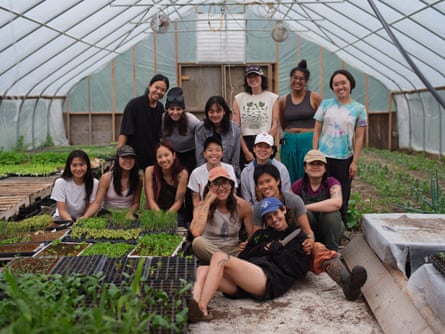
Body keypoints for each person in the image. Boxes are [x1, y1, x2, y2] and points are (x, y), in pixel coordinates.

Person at [252, 164, 367, 301]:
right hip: (276, 254)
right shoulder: (259, 208)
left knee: (318, 248)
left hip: (296, 248)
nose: (265, 186)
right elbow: (256, 239)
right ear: (257, 187)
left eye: (268, 181)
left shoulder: (294, 201)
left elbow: (308, 232)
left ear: (277, 180)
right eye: (261, 183)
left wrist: (309, 242)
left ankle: (347, 282)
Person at [188, 197, 312, 322]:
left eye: (275, 213)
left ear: (283, 210)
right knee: (203, 269)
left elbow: (299, 269)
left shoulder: (298, 236)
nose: (274, 219)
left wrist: (278, 251)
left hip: (269, 279)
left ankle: (202, 309)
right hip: (248, 279)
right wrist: (263, 249)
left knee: (219, 257)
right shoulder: (261, 235)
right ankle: (193, 305)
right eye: (269, 217)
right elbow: (244, 256)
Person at [313, 69, 368, 224]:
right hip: (323, 156)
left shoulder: (359, 109)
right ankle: (320, 223)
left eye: (343, 83)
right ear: (332, 88)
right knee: (321, 189)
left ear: (350, 84)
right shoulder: (326, 104)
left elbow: (359, 137)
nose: (340, 87)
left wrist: (355, 161)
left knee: (343, 191)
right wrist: (315, 152)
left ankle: (340, 224)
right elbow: (317, 130)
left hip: (344, 158)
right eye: (336, 84)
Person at [189, 166, 253, 264]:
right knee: (197, 242)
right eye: (216, 184)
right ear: (209, 187)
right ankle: (232, 265)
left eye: (224, 183)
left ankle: (226, 263)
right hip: (210, 251)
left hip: (233, 250)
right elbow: (196, 232)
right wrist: (207, 202)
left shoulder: (242, 205)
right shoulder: (203, 205)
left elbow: (252, 234)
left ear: (231, 185)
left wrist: (247, 242)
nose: (221, 188)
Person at [291, 149, 344, 251]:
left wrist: (305, 207)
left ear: (325, 168)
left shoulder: (332, 183)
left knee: (331, 215)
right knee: (304, 214)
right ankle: (308, 249)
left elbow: (337, 203)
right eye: (311, 164)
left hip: (331, 230)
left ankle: (332, 251)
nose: (315, 167)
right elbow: (290, 208)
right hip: (308, 231)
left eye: (319, 164)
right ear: (305, 168)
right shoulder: (298, 185)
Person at [279, 60, 322, 182]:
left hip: (308, 142)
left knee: (308, 174)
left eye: (301, 79)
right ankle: (292, 200)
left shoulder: (314, 97)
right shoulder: (283, 100)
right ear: (290, 79)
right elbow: (283, 123)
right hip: (289, 143)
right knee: (289, 173)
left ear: (306, 81)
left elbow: (322, 122)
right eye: (295, 78)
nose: (297, 81)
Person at [233, 64, 279, 170]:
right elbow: (236, 127)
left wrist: (266, 144)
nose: (253, 79)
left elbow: (275, 124)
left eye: (256, 76)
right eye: (250, 77)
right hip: (245, 141)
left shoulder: (273, 98)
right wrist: (246, 151)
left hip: (265, 139)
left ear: (262, 77)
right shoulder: (239, 98)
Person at [118, 74, 169, 170]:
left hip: (152, 155)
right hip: (133, 155)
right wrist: (119, 155)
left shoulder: (160, 108)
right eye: (156, 87)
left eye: (163, 90)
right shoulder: (134, 105)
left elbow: (161, 135)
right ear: (150, 86)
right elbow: (124, 132)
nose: (159, 92)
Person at [80, 145, 142, 219]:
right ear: (117, 159)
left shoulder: (138, 179)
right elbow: (97, 202)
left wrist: (129, 213)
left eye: (131, 158)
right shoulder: (107, 178)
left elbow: (136, 203)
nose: (128, 160)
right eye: (124, 157)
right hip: (108, 213)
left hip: (127, 213)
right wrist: (85, 216)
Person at [195, 96, 241, 178]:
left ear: (224, 111)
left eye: (218, 111)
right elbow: (200, 158)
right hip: (206, 173)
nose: (215, 115)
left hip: (228, 173)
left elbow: (235, 161)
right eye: (211, 112)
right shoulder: (200, 129)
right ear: (207, 113)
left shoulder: (235, 129)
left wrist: (228, 177)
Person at [144, 141, 189, 226]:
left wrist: (166, 217)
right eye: (159, 157)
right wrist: (159, 216)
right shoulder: (150, 171)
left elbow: (178, 201)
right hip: (155, 210)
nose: (163, 160)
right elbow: (150, 199)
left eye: (166, 155)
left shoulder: (182, 174)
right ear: (156, 159)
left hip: (174, 212)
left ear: (174, 155)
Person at [240, 132, 291, 206]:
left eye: (267, 147)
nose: (263, 150)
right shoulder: (246, 172)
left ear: (272, 150)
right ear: (254, 149)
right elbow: (247, 200)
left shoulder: (282, 169)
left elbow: (286, 195)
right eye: (259, 146)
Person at [188, 136, 238, 208]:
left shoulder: (229, 169)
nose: (214, 153)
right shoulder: (196, 173)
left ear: (222, 153)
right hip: (206, 208)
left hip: (227, 208)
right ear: (204, 154)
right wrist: (199, 214)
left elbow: (234, 193)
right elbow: (195, 198)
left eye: (217, 150)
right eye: (210, 150)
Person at [50, 150, 99, 221]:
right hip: (63, 218)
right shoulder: (61, 183)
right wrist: (70, 222)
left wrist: (84, 218)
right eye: (74, 165)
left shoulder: (94, 183)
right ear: (69, 166)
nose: (78, 169)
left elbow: (91, 206)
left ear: (87, 166)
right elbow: (62, 210)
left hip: (84, 218)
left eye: (81, 165)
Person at [162, 87, 201, 174]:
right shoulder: (162, 119)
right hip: (173, 153)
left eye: (178, 109)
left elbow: (202, 136)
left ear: (183, 110)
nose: (175, 112)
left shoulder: (192, 121)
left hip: (190, 152)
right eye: (172, 109)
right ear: (167, 110)